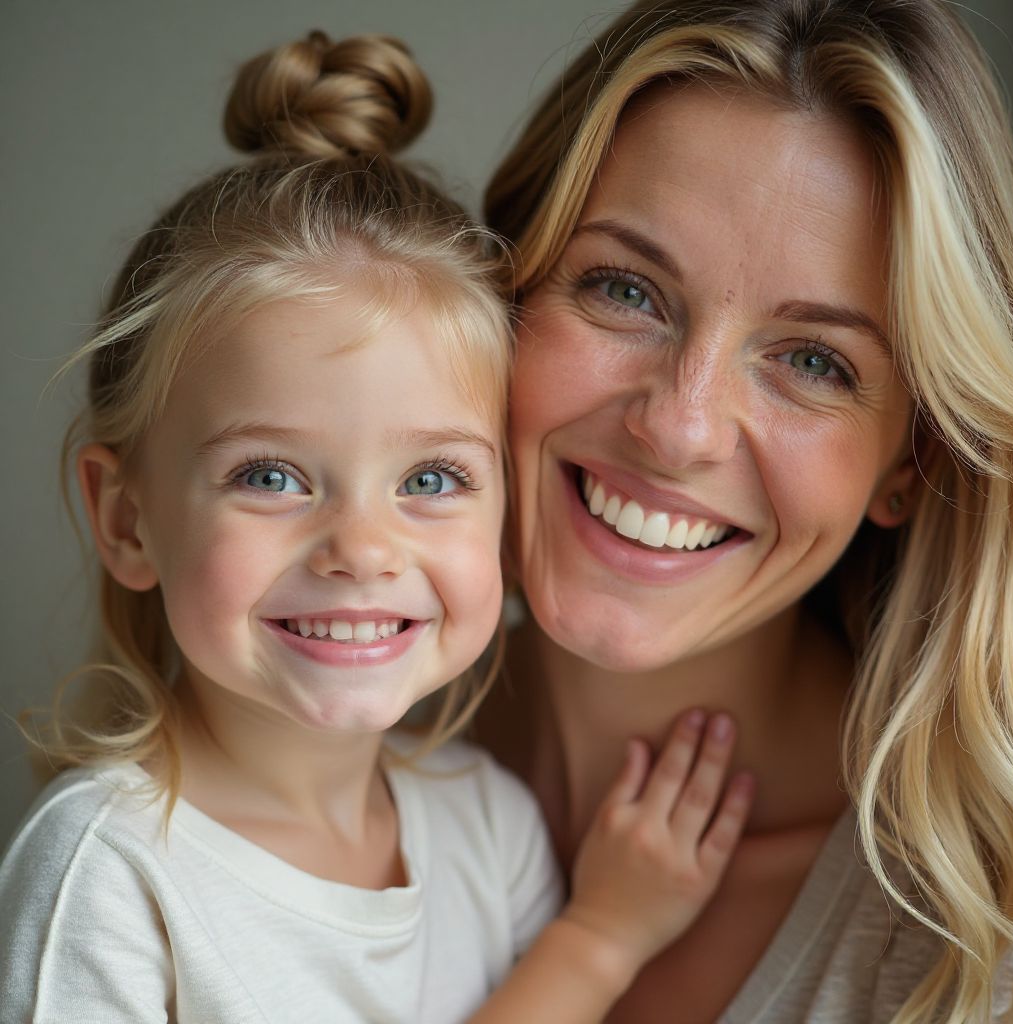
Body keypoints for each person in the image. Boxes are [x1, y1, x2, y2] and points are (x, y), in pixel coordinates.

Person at [0, 31, 755, 1024]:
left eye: (432, 477)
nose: (360, 548)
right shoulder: (109, 871)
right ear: (127, 519)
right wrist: (596, 945)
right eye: (270, 475)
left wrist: (597, 928)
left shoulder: (491, 829)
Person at [475, 0, 1013, 1021]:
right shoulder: (287, 749)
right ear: (502, 298)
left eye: (812, 362)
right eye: (623, 290)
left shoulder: (979, 950)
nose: (680, 428)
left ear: (909, 459)